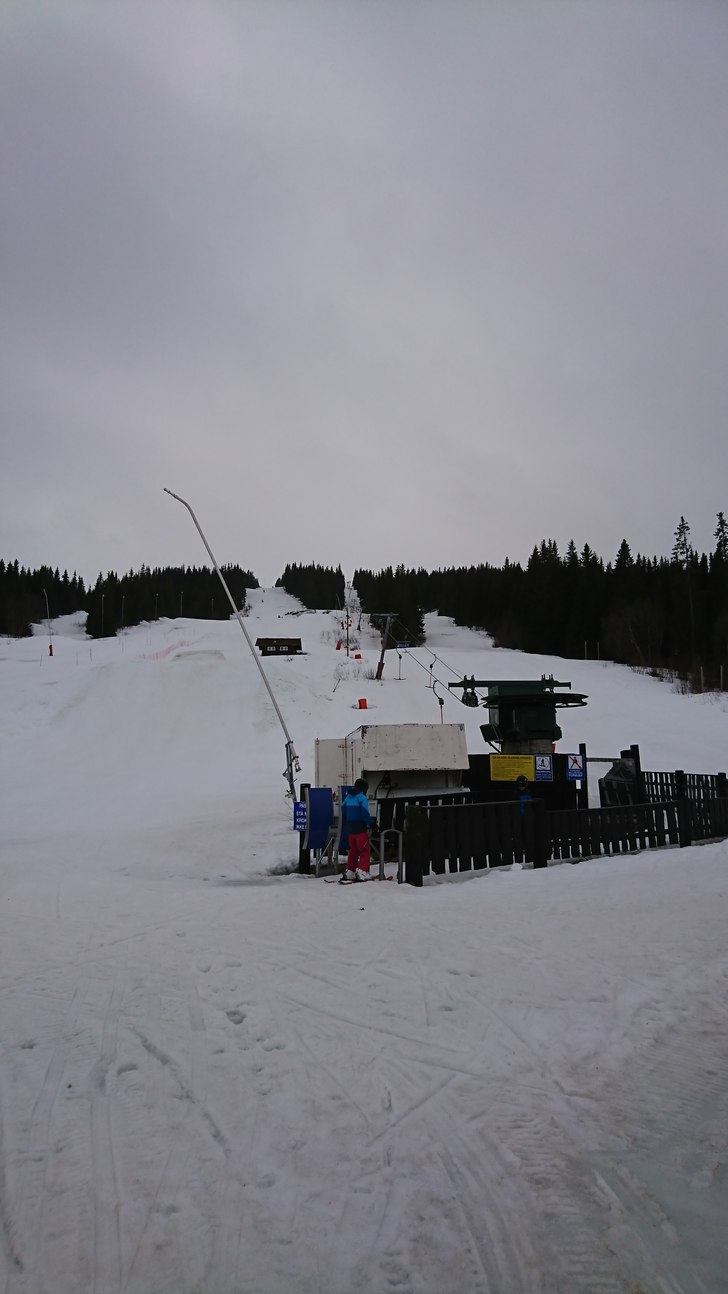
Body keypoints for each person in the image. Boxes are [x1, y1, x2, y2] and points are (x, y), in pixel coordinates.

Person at [341, 778, 375, 882]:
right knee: (364, 850)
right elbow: (364, 813)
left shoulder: (348, 797)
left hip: (350, 829)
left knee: (353, 851)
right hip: (360, 828)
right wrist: (371, 823)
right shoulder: (362, 798)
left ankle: (350, 871)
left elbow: (343, 810)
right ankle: (363, 871)